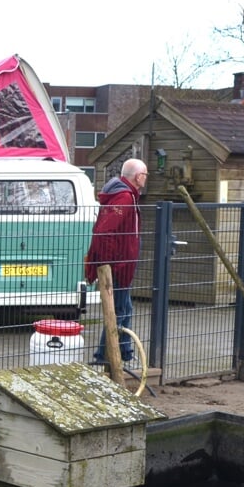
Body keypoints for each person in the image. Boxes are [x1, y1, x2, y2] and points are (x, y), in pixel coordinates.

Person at [84, 157, 148, 369]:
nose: (146, 179)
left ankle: (123, 352)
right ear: (138, 177)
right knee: (120, 310)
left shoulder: (125, 196)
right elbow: (105, 231)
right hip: (119, 267)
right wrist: (109, 264)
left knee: (124, 308)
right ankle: (107, 354)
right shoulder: (125, 198)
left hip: (120, 265)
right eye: (145, 175)